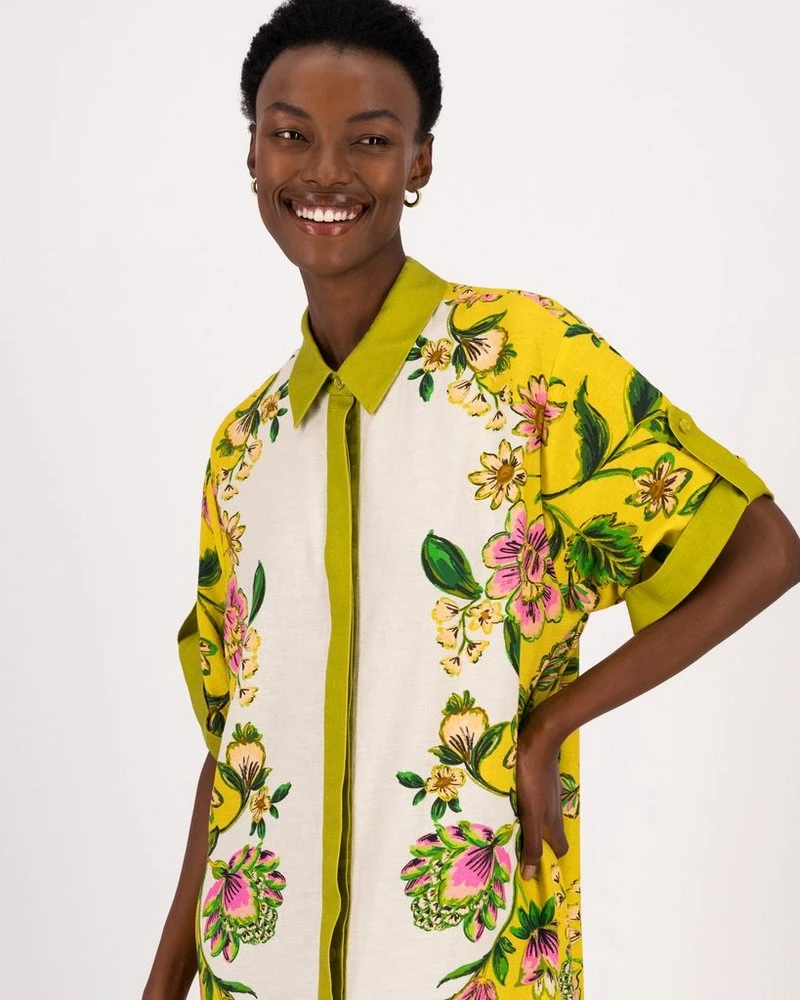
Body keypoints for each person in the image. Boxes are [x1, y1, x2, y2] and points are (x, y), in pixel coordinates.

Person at [142, 2, 800, 998]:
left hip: (472, 967)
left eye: (370, 140)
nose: (325, 171)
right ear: (252, 155)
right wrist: (161, 983)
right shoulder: (245, 446)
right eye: (291, 134)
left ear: (419, 163)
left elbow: (764, 550)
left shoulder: (522, 362)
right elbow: (233, 747)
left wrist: (550, 726)